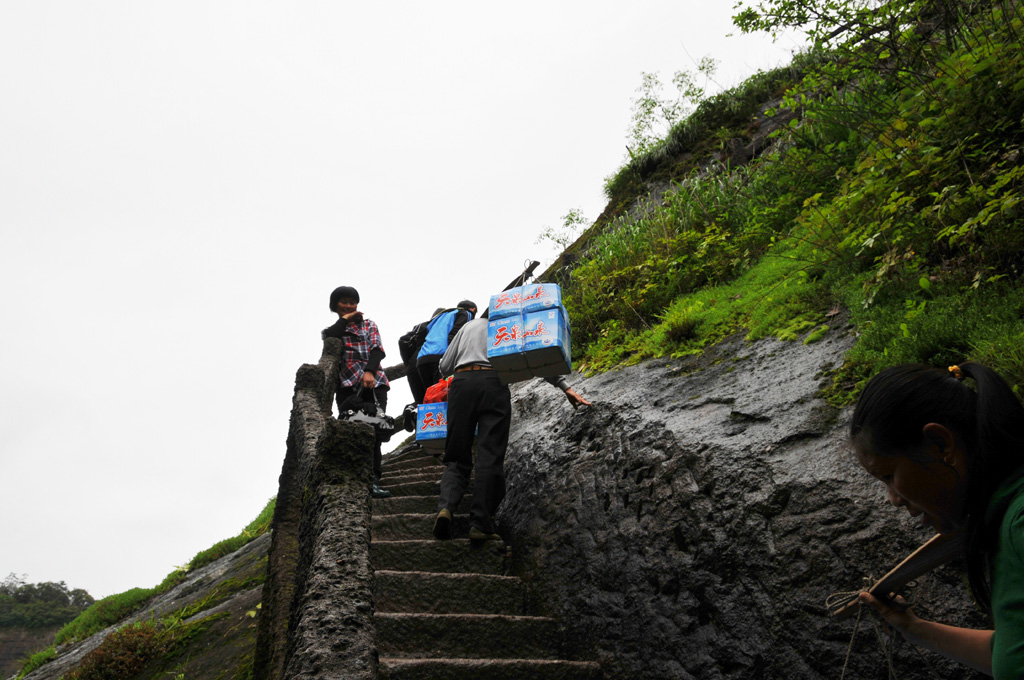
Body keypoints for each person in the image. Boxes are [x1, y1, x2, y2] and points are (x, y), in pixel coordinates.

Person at [850, 362, 1024, 678]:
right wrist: (916, 630)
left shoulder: (1019, 523)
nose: (893, 499)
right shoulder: (1003, 519)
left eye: (889, 475)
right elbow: (1014, 654)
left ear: (940, 444)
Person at [432, 312, 591, 542]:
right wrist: (564, 386)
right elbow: (532, 361)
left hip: (462, 385)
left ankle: (445, 509)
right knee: (489, 455)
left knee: (457, 455)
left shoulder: (469, 326)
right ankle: (480, 524)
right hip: (494, 385)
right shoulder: (509, 327)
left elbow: (445, 366)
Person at [321, 285, 391, 499]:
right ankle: (353, 480)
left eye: (352, 302)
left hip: (374, 382)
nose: (349, 305)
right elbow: (330, 337)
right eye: (344, 302)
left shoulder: (369, 325)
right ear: (335, 306)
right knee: (352, 428)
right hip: (347, 385)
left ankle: (373, 480)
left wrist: (369, 371)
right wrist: (346, 319)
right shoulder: (333, 330)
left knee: (374, 429)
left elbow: (378, 350)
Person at [416, 301, 477, 395]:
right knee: (446, 397)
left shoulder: (441, 316)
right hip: (441, 359)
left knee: (432, 398)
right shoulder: (465, 313)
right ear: (473, 309)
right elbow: (455, 336)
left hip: (422, 359)